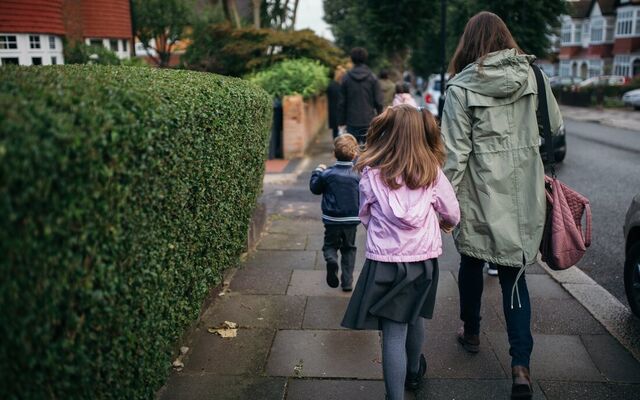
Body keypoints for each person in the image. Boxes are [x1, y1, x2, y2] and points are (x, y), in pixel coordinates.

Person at [441, 12, 563, 400]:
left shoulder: (460, 88)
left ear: (469, 44)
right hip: (524, 192)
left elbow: (454, 156)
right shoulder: (535, 77)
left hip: (479, 195)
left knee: (471, 261)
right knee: (514, 276)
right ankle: (521, 367)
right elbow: (554, 126)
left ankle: (472, 331)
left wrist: (442, 205)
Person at [342, 105, 460, 400]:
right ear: (420, 134)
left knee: (393, 332)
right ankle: (414, 373)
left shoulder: (371, 174)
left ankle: (394, 396)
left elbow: (365, 215)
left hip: (384, 263)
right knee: (415, 316)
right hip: (422, 261)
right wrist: (442, 222)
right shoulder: (433, 172)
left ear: (388, 133)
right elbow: (453, 214)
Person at [309, 134, 361, 291]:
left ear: (334, 153)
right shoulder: (358, 175)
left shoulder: (328, 174)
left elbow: (315, 189)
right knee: (349, 248)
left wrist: (317, 171)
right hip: (351, 220)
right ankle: (347, 282)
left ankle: (331, 259)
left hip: (332, 219)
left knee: (330, 245)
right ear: (355, 154)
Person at [338, 47, 384, 144]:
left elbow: (342, 102)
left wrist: (342, 121)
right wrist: (380, 118)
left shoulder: (346, 78)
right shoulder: (372, 77)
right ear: (365, 58)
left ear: (352, 59)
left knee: (351, 151)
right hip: (369, 121)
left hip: (351, 121)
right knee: (369, 151)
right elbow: (379, 102)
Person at [327, 67, 346, 139]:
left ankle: (336, 147)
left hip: (334, 112)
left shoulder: (331, 86)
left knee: (335, 133)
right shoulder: (344, 86)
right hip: (342, 113)